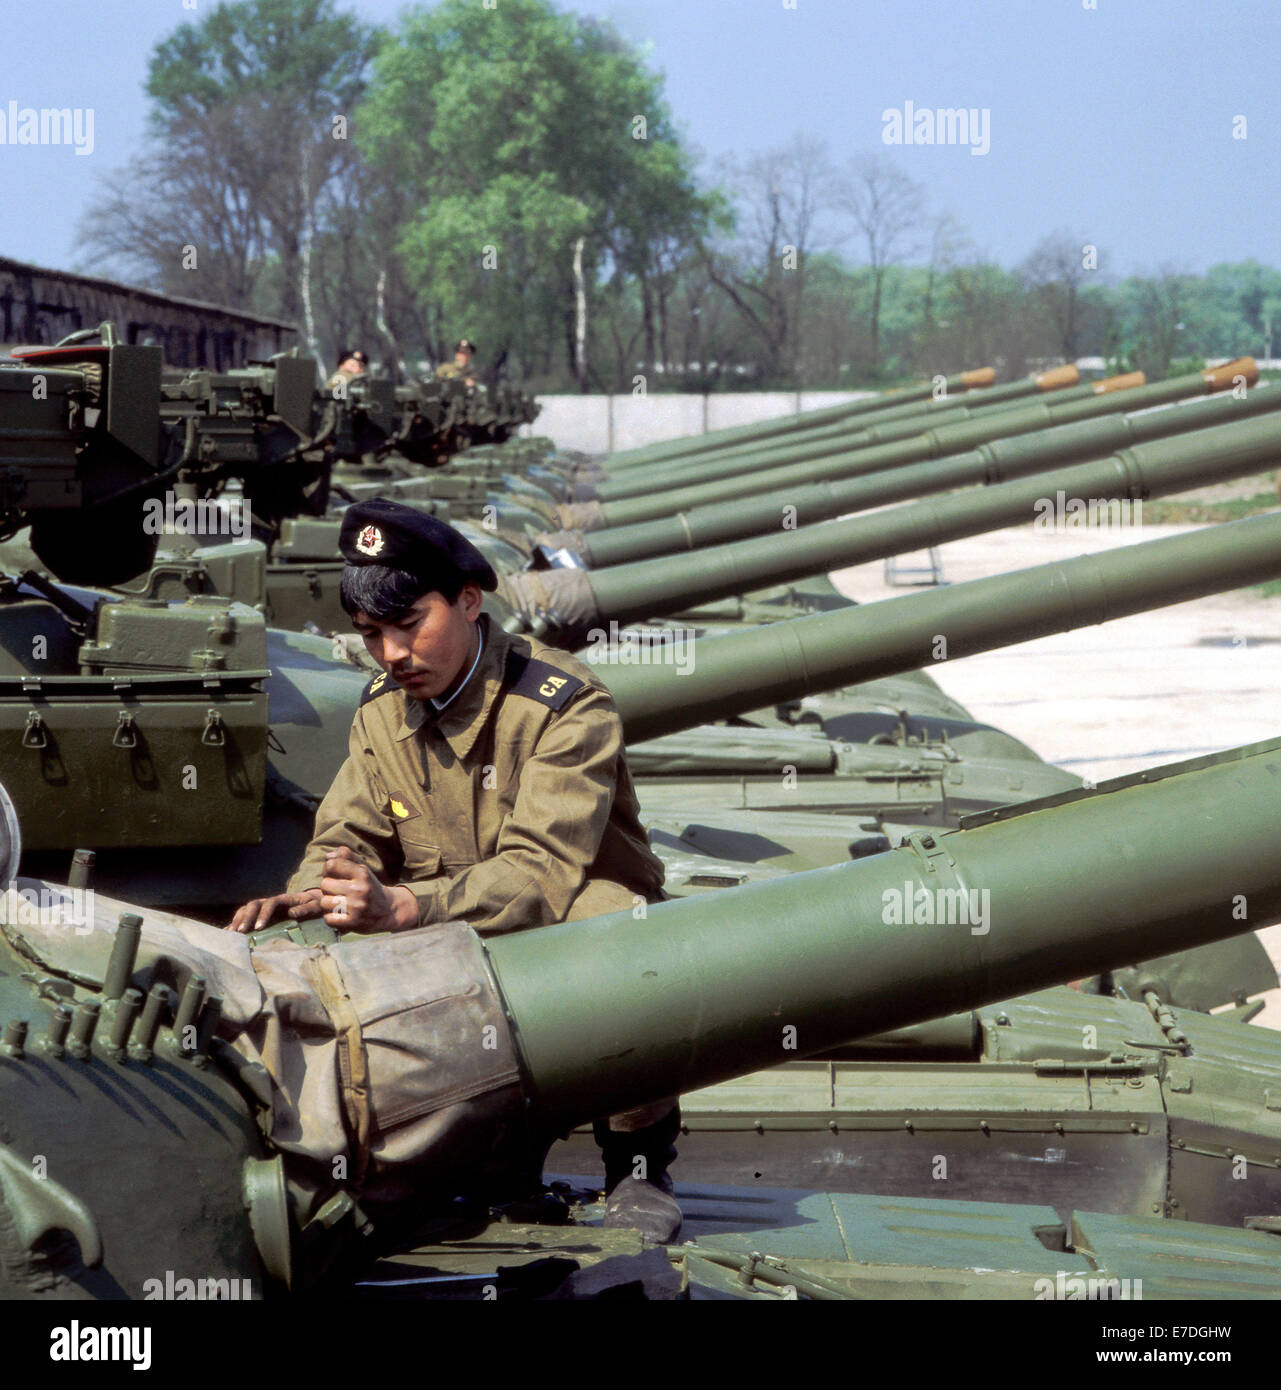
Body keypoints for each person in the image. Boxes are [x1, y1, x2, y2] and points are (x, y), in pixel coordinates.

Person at [226, 498, 681, 1241]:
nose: (393, 653)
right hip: (444, 915)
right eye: (373, 635)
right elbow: (348, 829)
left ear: (470, 602)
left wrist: (404, 908)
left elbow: (538, 872)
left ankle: (636, 1161)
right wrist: (316, 891)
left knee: (618, 931)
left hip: (557, 915)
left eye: (411, 625)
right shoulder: (383, 712)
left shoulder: (562, 706)